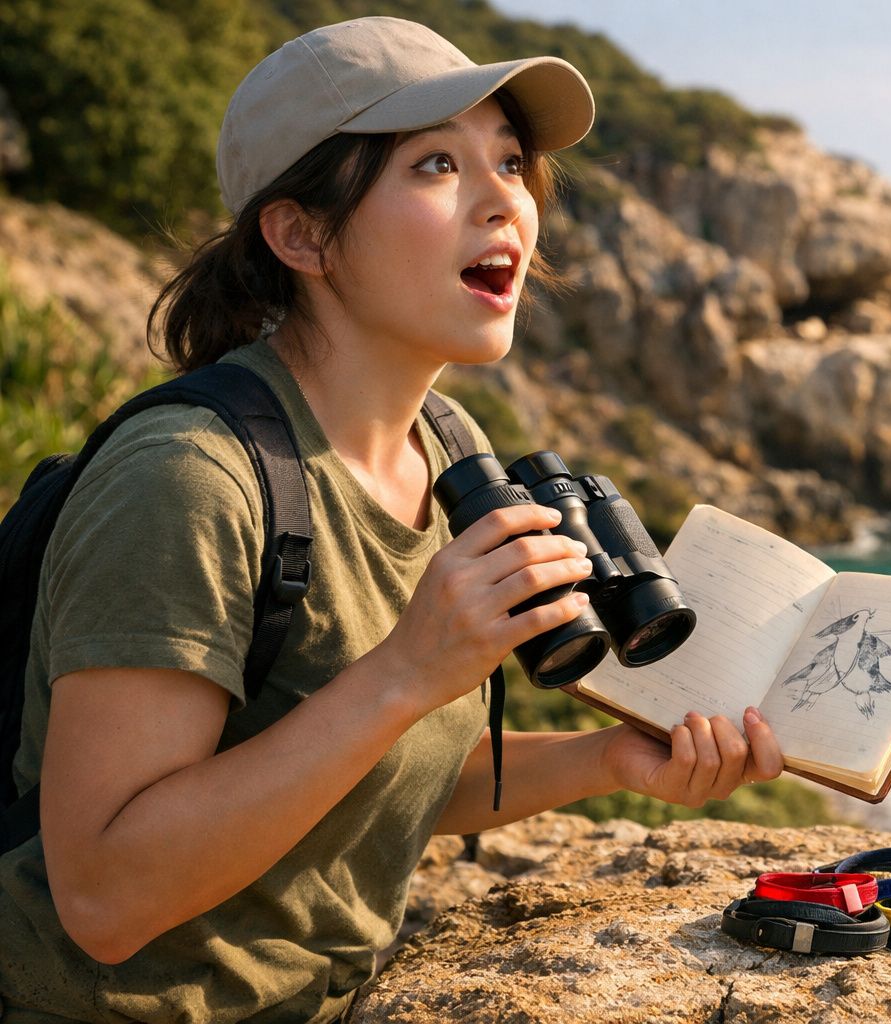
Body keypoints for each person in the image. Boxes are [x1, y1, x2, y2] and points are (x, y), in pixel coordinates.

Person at [0, 17, 782, 1023]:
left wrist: (606, 760)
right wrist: (407, 670)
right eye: (436, 165)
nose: (503, 198)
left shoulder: (449, 448)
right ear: (301, 235)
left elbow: (377, 765)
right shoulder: (189, 481)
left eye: (510, 160)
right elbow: (105, 897)